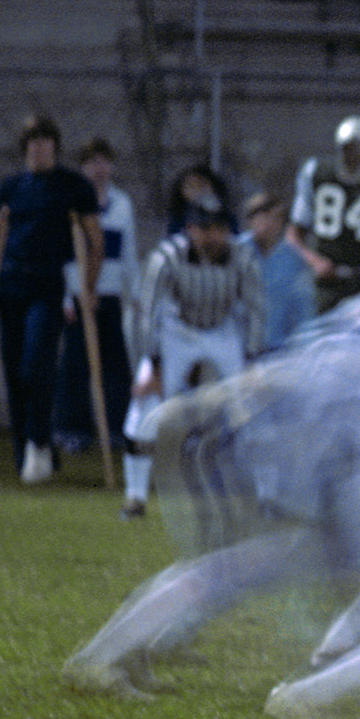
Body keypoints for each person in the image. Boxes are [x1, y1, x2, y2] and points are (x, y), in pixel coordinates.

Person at [122, 195, 265, 518]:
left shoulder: (243, 258)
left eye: (219, 228)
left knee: (251, 407)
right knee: (144, 409)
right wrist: (152, 364)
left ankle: (263, 496)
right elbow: (148, 312)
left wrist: (253, 362)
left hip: (223, 330)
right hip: (178, 331)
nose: (212, 236)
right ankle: (135, 496)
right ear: (189, 229)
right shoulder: (167, 257)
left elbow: (256, 309)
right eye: (204, 228)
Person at [0, 117, 103, 484]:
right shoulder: (11, 188)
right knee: (14, 371)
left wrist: (88, 286)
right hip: (11, 287)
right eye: (33, 141)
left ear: (55, 145)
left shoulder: (74, 187)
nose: (40, 147)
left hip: (48, 288)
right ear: (25, 148)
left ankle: (39, 442)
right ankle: (28, 454)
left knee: (36, 366)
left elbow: (95, 243)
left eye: (46, 140)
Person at [51, 137, 135, 469]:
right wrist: (66, 297)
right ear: (82, 167)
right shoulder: (69, 203)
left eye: (104, 161)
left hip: (110, 294)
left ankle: (116, 428)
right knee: (74, 364)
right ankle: (72, 428)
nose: (98, 169)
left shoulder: (123, 203)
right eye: (91, 162)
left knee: (115, 364)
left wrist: (136, 293)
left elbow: (127, 251)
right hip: (76, 296)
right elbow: (61, 254)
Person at [241, 192, 315, 353]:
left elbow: (303, 307)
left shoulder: (293, 259)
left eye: (276, 218)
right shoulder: (235, 252)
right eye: (263, 217)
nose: (269, 224)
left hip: (279, 348)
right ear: (251, 220)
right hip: (238, 347)